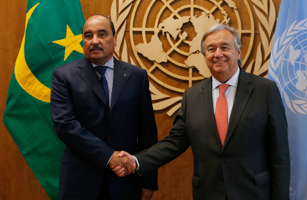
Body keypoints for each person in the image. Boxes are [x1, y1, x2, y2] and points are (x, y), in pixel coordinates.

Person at [115, 24, 290, 200]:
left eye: (225, 47)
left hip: (254, 193)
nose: (218, 54)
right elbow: (174, 143)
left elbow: (279, 155)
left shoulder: (265, 90)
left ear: (238, 52)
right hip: (208, 193)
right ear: (205, 57)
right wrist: (135, 161)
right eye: (211, 49)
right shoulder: (192, 96)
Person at [50, 14, 158, 200]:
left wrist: (148, 182)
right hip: (80, 181)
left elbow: (147, 132)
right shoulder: (64, 76)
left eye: (102, 34)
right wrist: (109, 156)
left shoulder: (136, 76)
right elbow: (65, 125)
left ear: (115, 39)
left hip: (125, 181)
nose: (95, 41)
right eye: (88, 36)